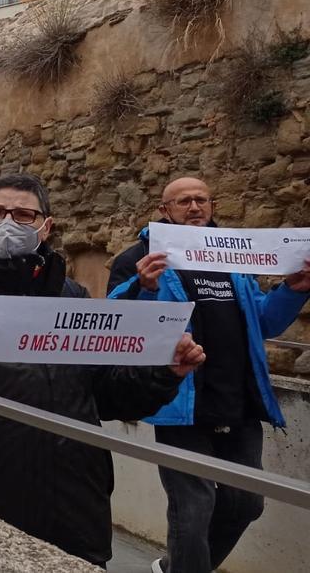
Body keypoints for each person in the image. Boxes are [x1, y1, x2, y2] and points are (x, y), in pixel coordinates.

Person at [0, 173, 206, 568]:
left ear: (46, 225)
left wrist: (166, 372)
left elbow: (107, 394)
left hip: (75, 508)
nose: (8, 222)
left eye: (23, 215)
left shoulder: (72, 295)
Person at [106, 177, 310, 573]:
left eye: (201, 199)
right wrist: (144, 286)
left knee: (247, 503)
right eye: (183, 201)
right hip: (180, 403)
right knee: (194, 508)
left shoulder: (234, 257)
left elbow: (264, 321)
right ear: (165, 210)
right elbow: (120, 322)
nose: (194, 207)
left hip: (240, 401)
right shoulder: (139, 257)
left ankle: (175, 568)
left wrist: (293, 289)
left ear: (213, 205)